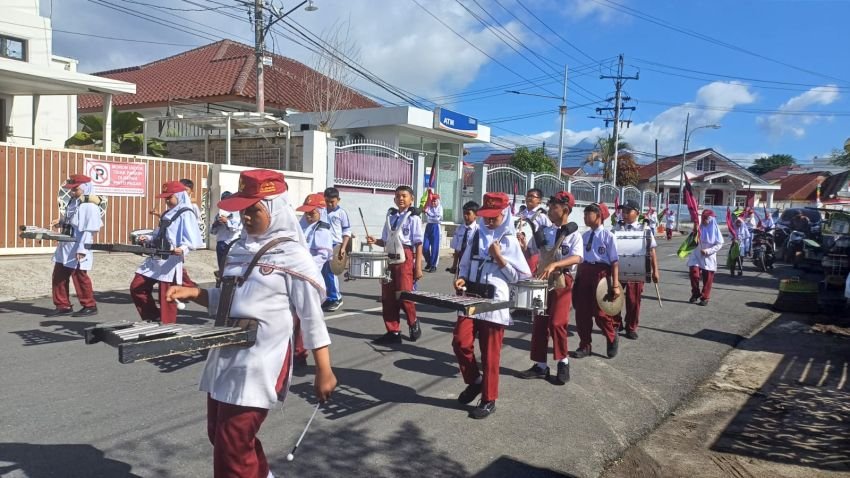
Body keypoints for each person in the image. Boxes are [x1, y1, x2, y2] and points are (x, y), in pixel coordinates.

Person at [165, 169, 337, 478]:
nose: (245, 217)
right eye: (243, 210)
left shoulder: (293, 255)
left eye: (253, 210)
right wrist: (196, 293)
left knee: (233, 441)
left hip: (261, 360)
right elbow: (231, 299)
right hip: (226, 353)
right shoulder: (239, 249)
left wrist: (324, 368)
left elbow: (311, 316)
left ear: (274, 209)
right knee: (220, 434)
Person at [453, 192, 531, 419]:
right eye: (485, 216)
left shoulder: (509, 240)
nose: (488, 221)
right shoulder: (476, 234)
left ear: (504, 214)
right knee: (460, 341)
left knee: (490, 354)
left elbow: (521, 277)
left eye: (493, 217)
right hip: (471, 296)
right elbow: (465, 264)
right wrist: (462, 278)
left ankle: (488, 398)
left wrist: (500, 258)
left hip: (495, 301)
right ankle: (475, 380)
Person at [517, 191, 582, 384]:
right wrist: (521, 246)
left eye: (554, 207)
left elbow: (577, 257)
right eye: (551, 206)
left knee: (557, 323)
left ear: (565, 210)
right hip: (542, 283)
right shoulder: (545, 231)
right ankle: (540, 366)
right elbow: (530, 252)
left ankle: (563, 362)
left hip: (562, 282)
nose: (551, 210)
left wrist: (555, 265)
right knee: (539, 324)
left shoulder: (574, 235)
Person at [130, 181, 202, 324]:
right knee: (136, 287)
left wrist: (182, 249)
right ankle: (153, 316)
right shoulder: (166, 213)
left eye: (169, 197)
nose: (167, 201)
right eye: (165, 198)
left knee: (167, 297)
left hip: (170, 261)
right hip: (155, 258)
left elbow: (192, 239)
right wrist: (148, 238)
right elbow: (159, 234)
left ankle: (167, 326)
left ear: (179, 196)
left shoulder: (186, 213)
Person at [366, 186, 424, 344]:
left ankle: (413, 322)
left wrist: (417, 266)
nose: (401, 199)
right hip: (389, 257)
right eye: (398, 196)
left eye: (404, 196)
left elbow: (418, 243)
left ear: (411, 198)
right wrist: (375, 241)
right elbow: (386, 240)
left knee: (404, 295)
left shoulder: (414, 218)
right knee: (388, 296)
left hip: (405, 257)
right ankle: (393, 331)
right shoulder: (390, 217)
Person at [47, 174, 104, 317]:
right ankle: (63, 305)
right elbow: (72, 220)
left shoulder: (89, 206)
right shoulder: (74, 202)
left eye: (75, 189)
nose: (72, 192)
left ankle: (89, 305)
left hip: (78, 245)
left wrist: (83, 249)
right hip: (66, 245)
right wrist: (60, 222)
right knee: (59, 275)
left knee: (79, 276)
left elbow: (89, 229)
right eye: (71, 190)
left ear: (85, 188)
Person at [572, 203, 621, 359]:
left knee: (601, 313)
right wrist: (578, 278)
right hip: (585, 273)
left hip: (601, 274)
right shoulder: (584, 236)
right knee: (582, 313)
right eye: (584, 214)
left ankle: (611, 336)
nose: (585, 218)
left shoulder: (608, 236)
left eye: (588, 214)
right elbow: (580, 259)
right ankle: (585, 345)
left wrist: (615, 285)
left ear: (599, 216)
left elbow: (614, 262)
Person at [613, 199, 660, 340]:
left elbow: (651, 252)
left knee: (634, 301)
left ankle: (631, 327)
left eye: (628, 211)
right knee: (615, 298)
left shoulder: (644, 229)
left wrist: (655, 271)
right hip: (619, 270)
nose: (624, 214)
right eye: (623, 211)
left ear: (637, 213)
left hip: (636, 269)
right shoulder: (617, 228)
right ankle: (616, 323)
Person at [322, 187, 351, 312]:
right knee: (323, 272)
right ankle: (328, 297)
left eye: (332, 202)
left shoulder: (341, 213)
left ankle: (336, 298)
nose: (329, 204)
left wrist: (343, 248)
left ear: (338, 200)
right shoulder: (322, 211)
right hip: (323, 245)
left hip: (335, 245)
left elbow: (346, 232)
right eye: (327, 201)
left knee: (331, 272)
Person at [687, 209, 724, 306]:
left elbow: (719, 244)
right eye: (703, 218)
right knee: (694, 274)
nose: (704, 220)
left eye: (706, 218)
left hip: (708, 257)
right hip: (696, 255)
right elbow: (692, 238)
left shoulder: (715, 229)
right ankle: (695, 293)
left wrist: (708, 251)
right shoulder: (699, 227)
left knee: (708, 279)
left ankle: (705, 297)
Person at [517, 188, 552, 274]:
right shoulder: (520, 214)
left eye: (532, 196)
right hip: (519, 251)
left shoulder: (542, 216)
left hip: (534, 254)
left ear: (539, 200)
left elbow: (548, 235)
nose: (529, 198)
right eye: (528, 196)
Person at [210, 192, 243, 269]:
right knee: (222, 266)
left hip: (233, 243)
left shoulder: (237, 213)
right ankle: (222, 279)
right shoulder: (219, 214)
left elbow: (236, 228)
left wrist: (227, 221)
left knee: (232, 266)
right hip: (221, 243)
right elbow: (213, 232)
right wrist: (216, 224)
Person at [447, 201, 479, 275]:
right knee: (460, 285)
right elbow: (457, 250)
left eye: (468, 213)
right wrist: (454, 265)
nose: (465, 215)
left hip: (473, 264)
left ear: (476, 215)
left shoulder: (478, 231)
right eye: (464, 213)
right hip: (461, 264)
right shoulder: (459, 229)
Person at [423, 192, 443, 273]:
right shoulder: (429, 207)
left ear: (438, 201)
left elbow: (437, 219)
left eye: (435, 201)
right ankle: (429, 262)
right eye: (432, 201)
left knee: (435, 248)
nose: (433, 202)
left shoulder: (440, 208)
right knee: (425, 247)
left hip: (436, 227)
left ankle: (433, 265)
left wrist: (429, 213)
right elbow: (427, 217)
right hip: (428, 227)